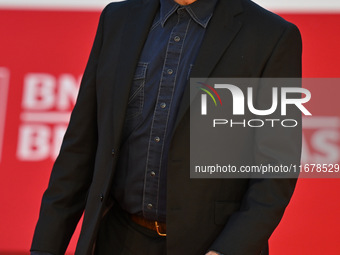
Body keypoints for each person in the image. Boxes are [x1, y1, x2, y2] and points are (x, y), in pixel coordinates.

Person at [30, 0, 302, 254]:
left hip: (208, 243)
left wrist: (228, 249)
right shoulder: (117, 19)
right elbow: (79, 148)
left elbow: (276, 167)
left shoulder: (272, 36)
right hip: (116, 238)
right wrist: (45, 247)